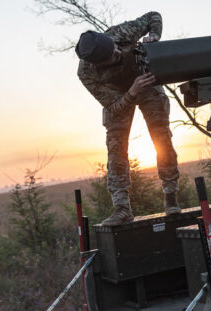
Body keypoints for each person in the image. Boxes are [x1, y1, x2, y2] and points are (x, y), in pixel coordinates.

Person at [75, 12, 180, 226]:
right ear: (97, 64)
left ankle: (171, 197)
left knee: (161, 137)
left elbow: (154, 16)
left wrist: (154, 36)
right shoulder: (86, 73)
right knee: (115, 147)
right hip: (119, 98)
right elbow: (113, 107)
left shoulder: (120, 33)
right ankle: (122, 208)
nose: (117, 53)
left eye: (115, 48)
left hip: (147, 84)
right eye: (112, 56)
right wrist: (131, 93)